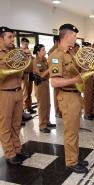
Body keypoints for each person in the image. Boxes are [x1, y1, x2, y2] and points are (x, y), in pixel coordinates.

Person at [48, 23, 88, 173]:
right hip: (67, 96)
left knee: (75, 131)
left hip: (75, 95)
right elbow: (54, 81)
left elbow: (74, 72)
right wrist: (74, 80)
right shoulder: (56, 56)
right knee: (70, 132)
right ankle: (71, 162)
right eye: (74, 35)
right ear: (66, 36)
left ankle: (75, 157)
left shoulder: (69, 53)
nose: (75, 38)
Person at [0, 26, 31, 165]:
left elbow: (23, 71)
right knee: (5, 126)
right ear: (1, 39)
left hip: (18, 91)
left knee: (16, 124)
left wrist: (26, 59)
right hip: (4, 93)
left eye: (13, 37)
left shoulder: (14, 52)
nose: (13, 40)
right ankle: (10, 153)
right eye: (9, 37)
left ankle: (17, 149)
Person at [33, 44, 56, 133]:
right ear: (38, 51)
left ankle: (47, 121)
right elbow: (41, 75)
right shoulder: (35, 61)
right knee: (42, 105)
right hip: (40, 84)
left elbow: (48, 73)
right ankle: (42, 125)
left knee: (47, 104)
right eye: (43, 50)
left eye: (44, 49)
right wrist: (50, 68)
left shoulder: (45, 60)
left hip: (46, 83)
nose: (45, 51)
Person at [21, 37, 36, 114]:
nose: (26, 45)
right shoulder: (19, 52)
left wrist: (30, 55)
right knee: (25, 93)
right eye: (25, 44)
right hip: (24, 75)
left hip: (30, 73)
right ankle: (24, 109)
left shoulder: (28, 51)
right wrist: (25, 54)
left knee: (29, 92)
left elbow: (33, 59)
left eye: (27, 44)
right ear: (22, 43)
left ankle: (29, 107)